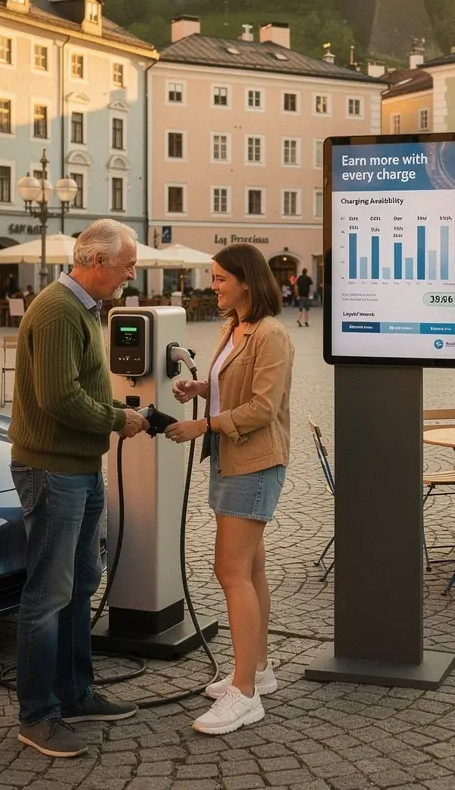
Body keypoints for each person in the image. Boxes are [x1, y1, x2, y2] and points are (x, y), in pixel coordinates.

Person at [9, 219, 148, 758]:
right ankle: (37, 716)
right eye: (126, 265)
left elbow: (77, 389)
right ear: (94, 261)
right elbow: (59, 398)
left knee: (82, 581)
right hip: (53, 471)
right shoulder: (58, 310)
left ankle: (74, 693)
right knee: (48, 594)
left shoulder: (85, 310)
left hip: (80, 468)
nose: (131, 275)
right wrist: (117, 419)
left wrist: (115, 416)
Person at [165, 243, 293, 735]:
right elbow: (234, 384)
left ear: (246, 281)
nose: (213, 285)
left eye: (220, 278)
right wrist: (203, 390)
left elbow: (263, 407)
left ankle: (244, 694)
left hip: (254, 462)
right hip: (229, 458)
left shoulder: (271, 334)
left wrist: (203, 424)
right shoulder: (233, 327)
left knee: (230, 571)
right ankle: (257, 670)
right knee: (251, 567)